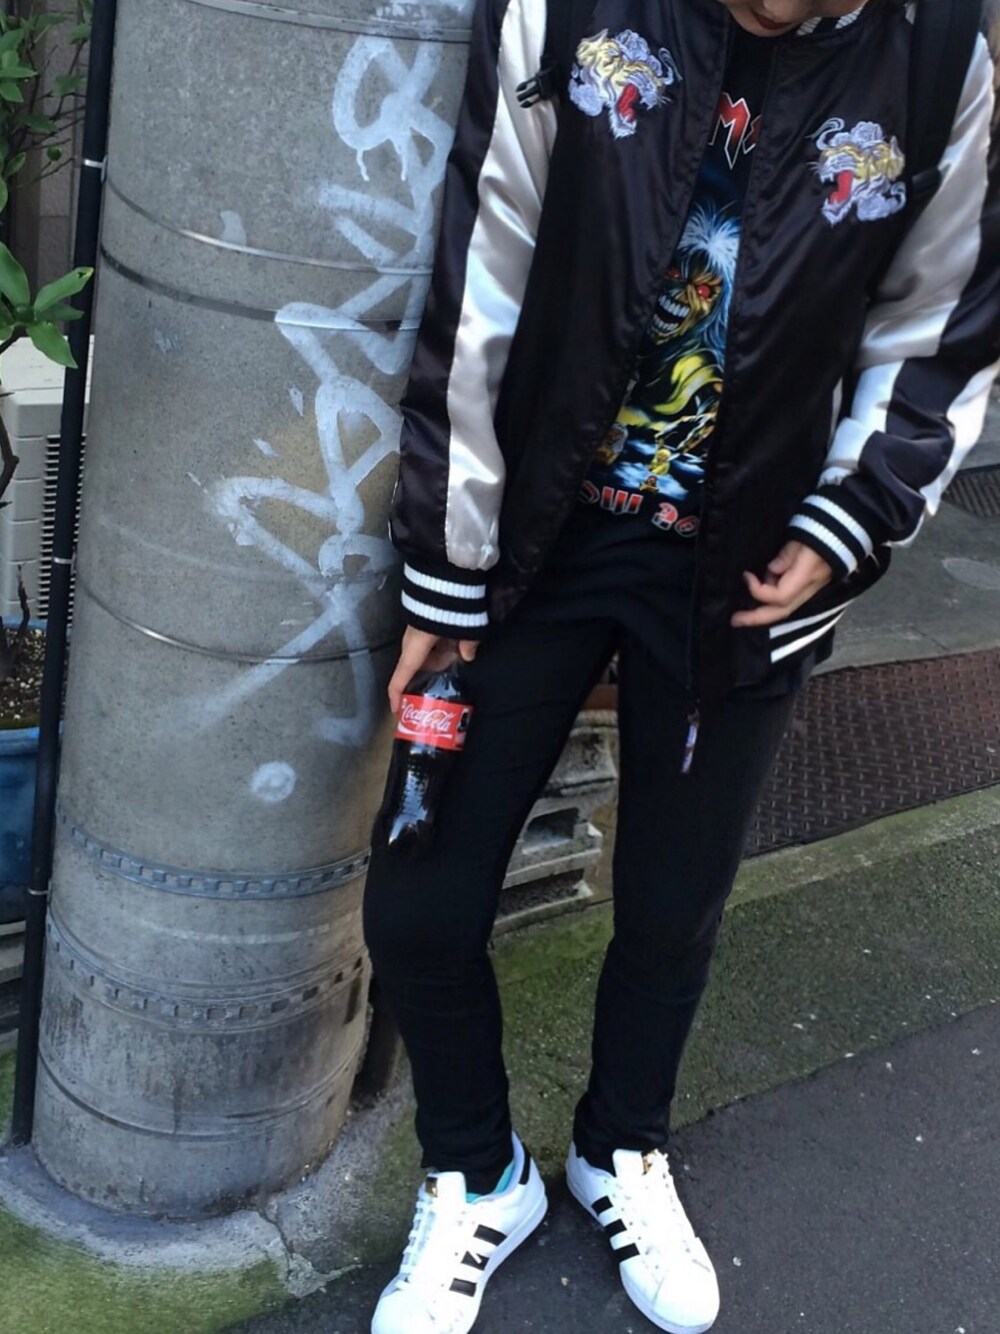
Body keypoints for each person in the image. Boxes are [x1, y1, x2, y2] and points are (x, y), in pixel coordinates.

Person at [363, 0, 1000, 1329]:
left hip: (753, 567)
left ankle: (620, 1146)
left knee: (670, 909)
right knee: (419, 898)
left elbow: (937, 328)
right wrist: (446, 555)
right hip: (530, 546)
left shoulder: (945, 54)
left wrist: (852, 519)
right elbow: (484, 265)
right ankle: (477, 1171)